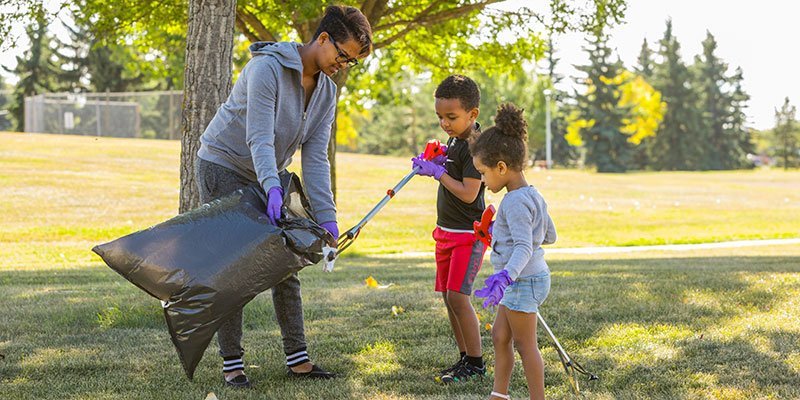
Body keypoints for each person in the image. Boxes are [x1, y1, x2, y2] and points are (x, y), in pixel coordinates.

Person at [194, 5, 372, 388]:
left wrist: (328, 217)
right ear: (322, 38)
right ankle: (232, 364)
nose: (343, 65)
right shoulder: (266, 69)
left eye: (351, 62)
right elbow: (258, 135)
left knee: (287, 262)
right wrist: (272, 187)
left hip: (266, 171)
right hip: (223, 164)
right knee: (233, 267)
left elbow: (316, 158)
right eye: (342, 55)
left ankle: (299, 360)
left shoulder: (326, 91)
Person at [470, 103, 557, 400]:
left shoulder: (514, 201)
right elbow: (549, 235)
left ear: (502, 168)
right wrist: (496, 233)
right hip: (525, 279)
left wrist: (507, 274)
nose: (483, 180)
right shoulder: (532, 194)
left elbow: (524, 245)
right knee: (500, 335)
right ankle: (499, 394)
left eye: (483, 172)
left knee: (525, 344)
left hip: (522, 282)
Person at [411, 74, 487, 383]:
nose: (445, 123)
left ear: (473, 114)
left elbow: (469, 192)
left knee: (458, 297)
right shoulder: (456, 139)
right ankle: (464, 358)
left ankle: (477, 363)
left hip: (468, 236)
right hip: (446, 232)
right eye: (440, 117)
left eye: (451, 117)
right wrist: (438, 159)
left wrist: (437, 173)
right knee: (447, 296)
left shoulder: (475, 145)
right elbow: (451, 168)